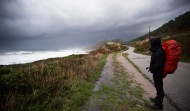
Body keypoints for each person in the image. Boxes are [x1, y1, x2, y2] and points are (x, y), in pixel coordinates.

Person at [149, 37, 166, 110]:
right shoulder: (158, 49)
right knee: (157, 86)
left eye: (152, 42)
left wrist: (152, 67)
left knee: (159, 88)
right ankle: (157, 99)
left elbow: (159, 64)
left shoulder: (159, 51)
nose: (151, 44)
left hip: (158, 72)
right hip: (157, 72)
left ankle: (159, 105)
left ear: (154, 43)